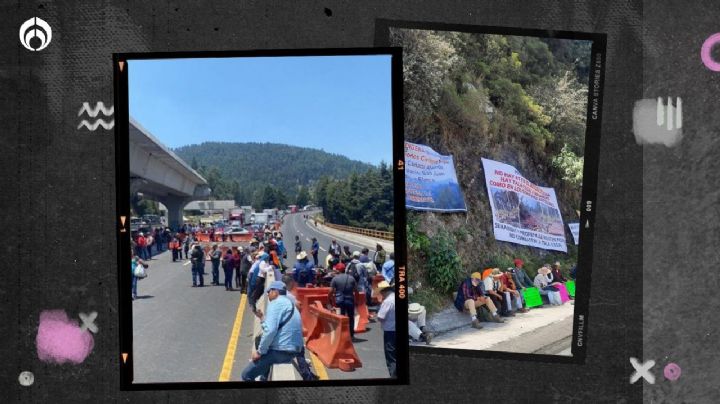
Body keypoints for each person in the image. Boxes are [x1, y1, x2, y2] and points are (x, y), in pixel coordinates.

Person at [241, 281, 304, 381]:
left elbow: (270, 331)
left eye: (268, 292)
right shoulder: (289, 303)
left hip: (281, 351)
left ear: (275, 292)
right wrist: (262, 319)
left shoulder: (276, 303)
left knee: (246, 375)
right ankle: (263, 378)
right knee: (263, 350)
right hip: (293, 350)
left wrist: (259, 352)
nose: (268, 295)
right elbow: (273, 328)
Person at [328, 261, 358, 339]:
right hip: (350, 300)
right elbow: (356, 291)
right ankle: (351, 335)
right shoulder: (351, 278)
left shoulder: (335, 279)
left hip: (339, 301)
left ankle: (341, 335)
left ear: (338, 270)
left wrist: (329, 299)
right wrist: (356, 301)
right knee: (351, 318)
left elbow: (331, 291)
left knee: (341, 317)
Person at [376, 281, 396, 378]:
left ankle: (393, 375)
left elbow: (381, 317)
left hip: (390, 330)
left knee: (391, 355)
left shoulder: (387, 301)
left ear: (383, 291)